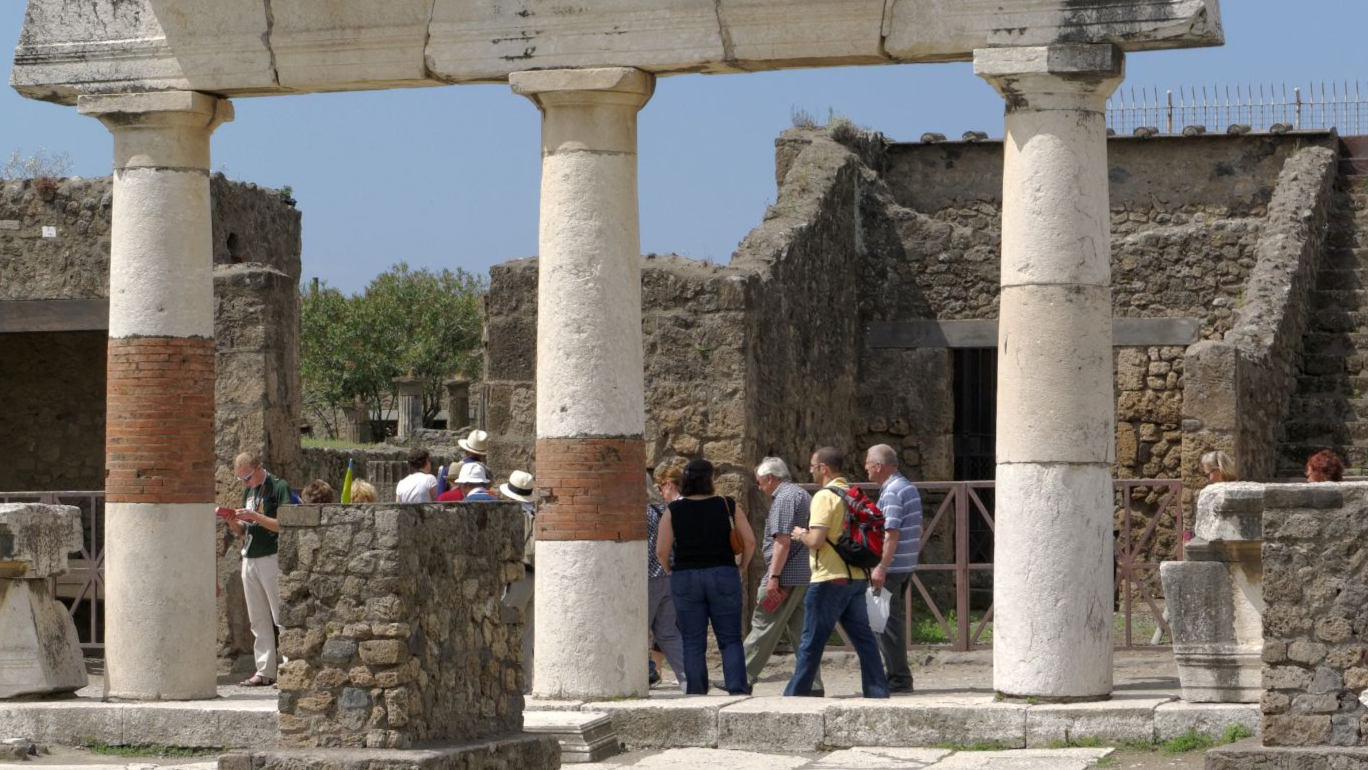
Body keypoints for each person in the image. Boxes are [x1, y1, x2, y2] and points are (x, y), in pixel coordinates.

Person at [784, 446, 889, 699]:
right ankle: (877, 691)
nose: (810, 470)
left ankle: (795, 695)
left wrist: (800, 535)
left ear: (824, 468)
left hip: (829, 578)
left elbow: (817, 540)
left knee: (811, 640)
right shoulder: (852, 493)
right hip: (855, 578)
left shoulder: (824, 496)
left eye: (812, 466)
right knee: (864, 639)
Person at [655, 458, 755, 695]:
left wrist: (669, 569)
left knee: (692, 639)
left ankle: (697, 692)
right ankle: (737, 688)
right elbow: (749, 540)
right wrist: (742, 566)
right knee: (730, 638)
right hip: (723, 572)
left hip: (686, 576)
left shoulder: (674, 510)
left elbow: (661, 550)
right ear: (711, 480)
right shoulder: (727, 505)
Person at [741, 457, 822, 695]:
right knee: (802, 633)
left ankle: (740, 676)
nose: (759, 487)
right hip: (800, 575)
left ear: (769, 478)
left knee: (763, 625)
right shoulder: (799, 494)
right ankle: (812, 684)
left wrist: (773, 576)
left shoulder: (784, 498)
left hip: (784, 576)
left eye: (759, 482)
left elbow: (782, 541)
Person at [225, 451, 292, 687]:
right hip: (250, 556)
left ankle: (289, 669)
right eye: (241, 480)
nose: (246, 483)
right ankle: (265, 670)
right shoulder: (249, 491)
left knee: (279, 615)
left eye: (248, 478)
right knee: (257, 618)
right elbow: (242, 530)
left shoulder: (278, 486)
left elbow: (284, 524)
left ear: (259, 468)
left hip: (271, 556)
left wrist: (255, 516)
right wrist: (233, 520)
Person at [863, 444, 922, 694]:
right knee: (888, 621)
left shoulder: (892, 492)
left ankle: (899, 677)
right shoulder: (907, 486)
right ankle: (896, 674)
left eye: (867, 464)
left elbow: (891, 533)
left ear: (878, 466)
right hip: (905, 564)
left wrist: (881, 567)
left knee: (885, 623)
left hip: (892, 567)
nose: (865, 469)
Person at [647, 466, 688, 690]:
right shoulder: (666, 510)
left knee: (640, 629)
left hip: (650, 576)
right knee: (668, 631)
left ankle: (642, 676)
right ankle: (689, 679)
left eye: (661, 485)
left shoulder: (645, 514)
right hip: (671, 576)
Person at [498, 470, 537, 689]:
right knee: (527, 633)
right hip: (535, 576)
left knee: (504, 626)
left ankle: (507, 682)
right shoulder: (535, 513)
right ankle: (525, 683)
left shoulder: (514, 515)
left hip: (519, 576)